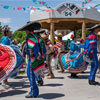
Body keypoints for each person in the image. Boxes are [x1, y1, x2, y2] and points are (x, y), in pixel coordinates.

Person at [17, 21, 47, 98]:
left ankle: (33, 93)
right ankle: (34, 91)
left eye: (25, 30)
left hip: (32, 59)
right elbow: (43, 49)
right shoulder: (36, 36)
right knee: (32, 75)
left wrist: (36, 55)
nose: (25, 32)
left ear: (28, 30)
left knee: (30, 75)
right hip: (36, 59)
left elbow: (33, 46)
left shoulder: (30, 36)